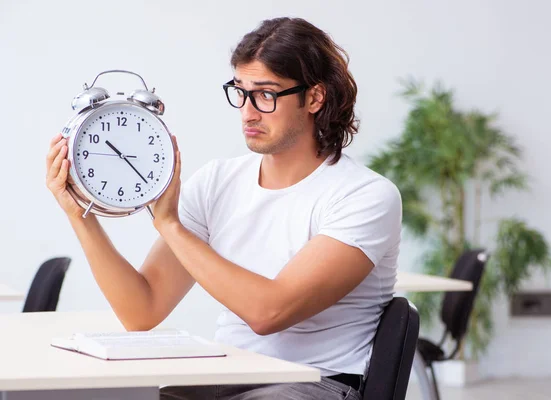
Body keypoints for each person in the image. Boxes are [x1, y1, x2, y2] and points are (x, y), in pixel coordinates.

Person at [45, 17, 402, 400]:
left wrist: (169, 225)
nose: (248, 112)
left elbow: (269, 313)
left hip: (318, 382)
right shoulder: (218, 181)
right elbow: (141, 311)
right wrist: (79, 212)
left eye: (266, 94)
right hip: (228, 374)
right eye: (240, 92)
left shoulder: (366, 196)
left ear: (314, 98)